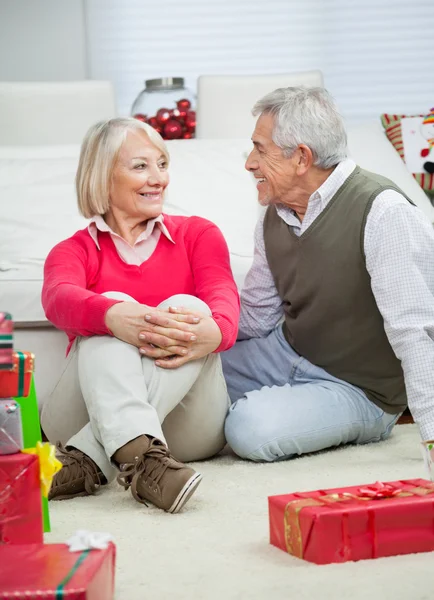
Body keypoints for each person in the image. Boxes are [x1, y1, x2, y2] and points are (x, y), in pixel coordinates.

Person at [222, 86, 434, 462]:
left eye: (260, 149)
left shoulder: (383, 211)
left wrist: (432, 437)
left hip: (360, 389)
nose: (249, 163)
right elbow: (256, 316)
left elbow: (415, 331)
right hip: (285, 352)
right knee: (186, 369)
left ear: (301, 158)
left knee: (250, 429)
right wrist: (193, 329)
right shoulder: (275, 212)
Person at [41, 117, 239, 513]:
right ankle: (143, 459)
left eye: (162, 164)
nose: (159, 178)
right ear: (102, 175)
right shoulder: (73, 251)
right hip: (81, 413)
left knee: (192, 309)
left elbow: (223, 300)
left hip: (187, 428)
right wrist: (114, 315)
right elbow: (57, 298)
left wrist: (215, 333)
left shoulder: (199, 234)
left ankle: (89, 457)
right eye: (141, 166)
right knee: (108, 306)